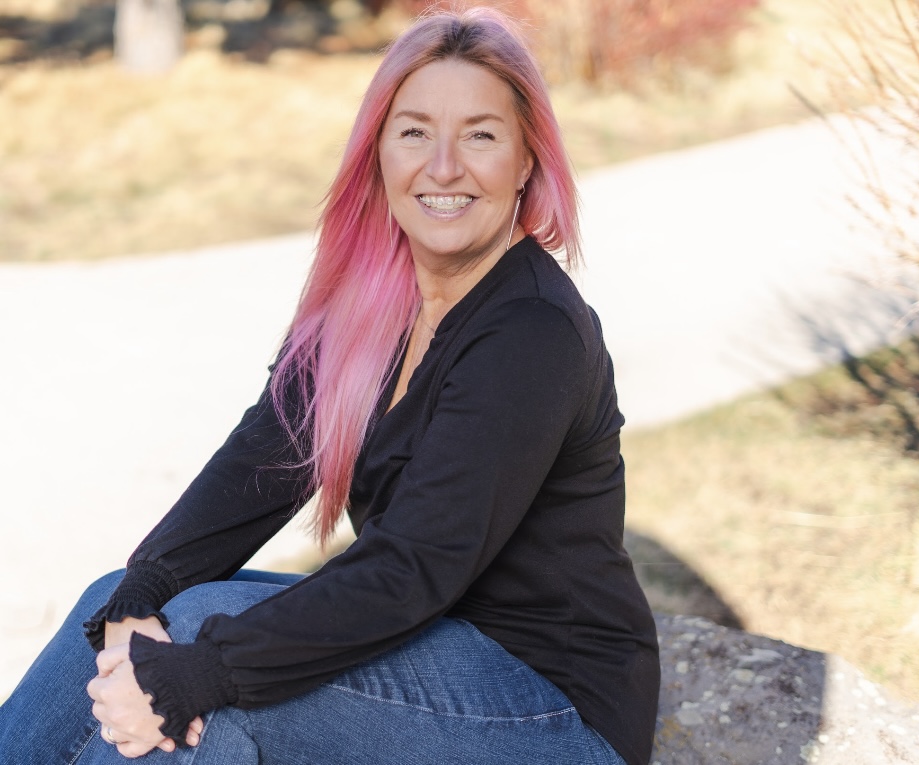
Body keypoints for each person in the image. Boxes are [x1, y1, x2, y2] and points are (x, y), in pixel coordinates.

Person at [0, 7, 660, 765]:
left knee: (197, 674)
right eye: (414, 131)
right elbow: (263, 456)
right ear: (378, 151)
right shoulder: (375, 301)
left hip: (552, 710)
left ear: (527, 160)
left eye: (480, 134)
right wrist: (143, 588)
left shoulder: (532, 333)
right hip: (428, 646)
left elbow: (414, 567)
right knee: (118, 605)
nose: (443, 166)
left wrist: (199, 672)